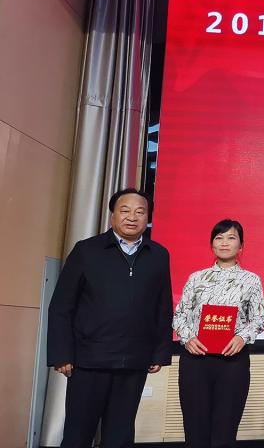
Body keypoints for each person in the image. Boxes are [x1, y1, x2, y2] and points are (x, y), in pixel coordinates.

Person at [47, 187, 173, 448]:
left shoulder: (159, 255)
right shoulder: (87, 250)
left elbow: (162, 307)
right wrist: (62, 354)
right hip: (89, 360)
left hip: (134, 361)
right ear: (112, 215)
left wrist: (160, 353)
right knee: (78, 434)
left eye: (140, 212)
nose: (132, 217)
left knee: (120, 436)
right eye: (125, 210)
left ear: (148, 217)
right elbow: (61, 306)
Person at [172, 219, 264, 448]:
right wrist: (188, 338)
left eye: (231, 238)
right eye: (219, 238)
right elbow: (179, 315)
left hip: (232, 362)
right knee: (195, 432)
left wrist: (241, 337)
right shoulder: (196, 278)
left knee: (224, 434)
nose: (224, 242)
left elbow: (259, 318)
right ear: (212, 244)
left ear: (241, 246)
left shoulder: (251, 280)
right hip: (196, 361)